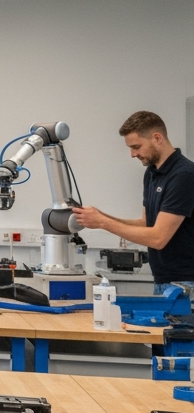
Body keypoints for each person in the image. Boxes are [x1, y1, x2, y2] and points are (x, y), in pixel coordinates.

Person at [71, 111, 194, 285]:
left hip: (186, 283)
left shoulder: (183, 175)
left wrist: (102, 223)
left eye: (136, 147)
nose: (132, 154)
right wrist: (101, 216)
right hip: (162, 279)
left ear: (157, 138)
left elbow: (158, 238)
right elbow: (146, 223)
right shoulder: (152, 173)